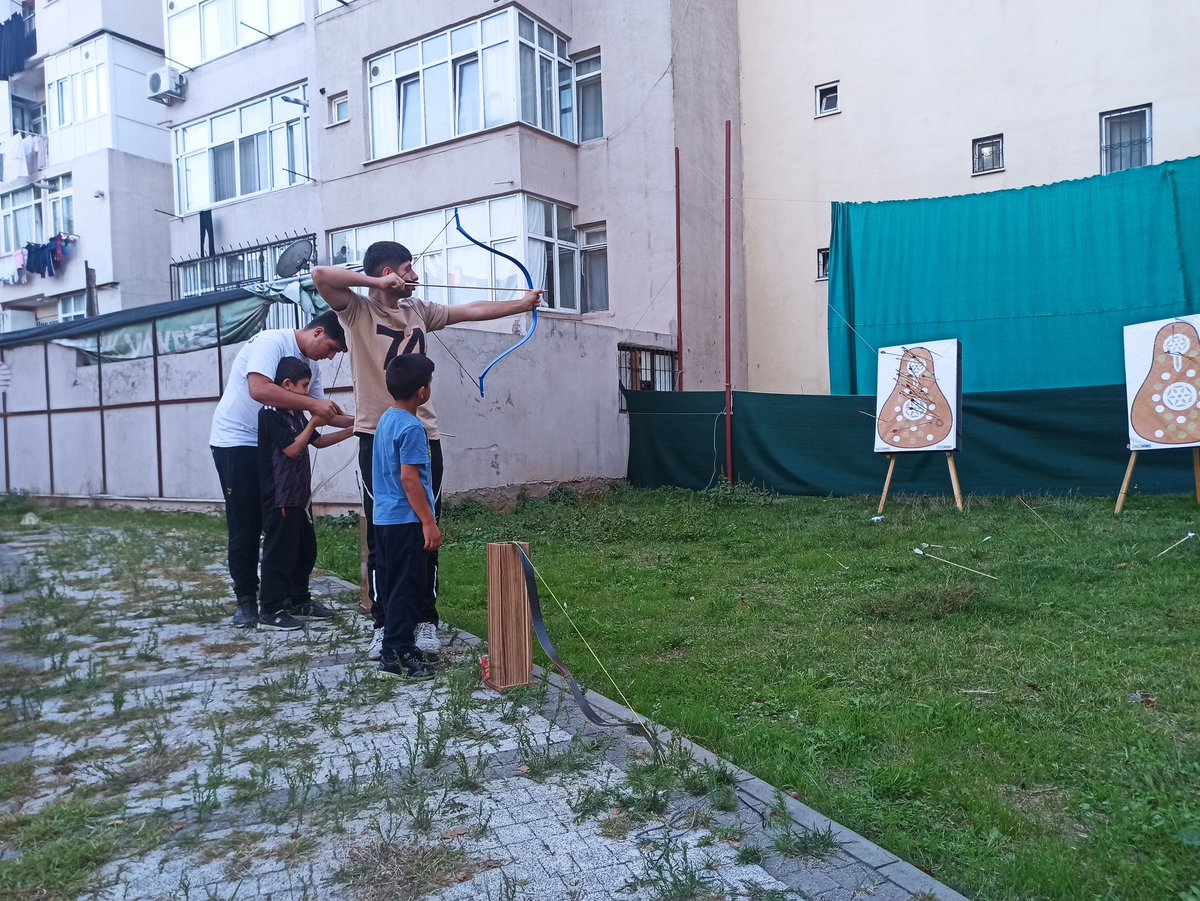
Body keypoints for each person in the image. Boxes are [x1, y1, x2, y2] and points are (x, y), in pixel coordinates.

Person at [312, 242, 542, 660]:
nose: (414, 276)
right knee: (384, 532)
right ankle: (384, 623)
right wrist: (374, 283)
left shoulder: (418, 310)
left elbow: (468, 311)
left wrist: (520, 305)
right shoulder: (356, 311)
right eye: (406, 269)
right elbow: (321, 276)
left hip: (424, 435)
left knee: (426, 529)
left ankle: (424, 621)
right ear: (386, 271)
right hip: (376, 437)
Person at [209, 311, 353, 627]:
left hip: (283, 450)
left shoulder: (310, 367)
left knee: (294, 526)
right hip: (239, 443)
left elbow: (322, 413)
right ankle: (247, 600)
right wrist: (316, 409)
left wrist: (363, 421)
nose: (329, 357)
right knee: (246, 524)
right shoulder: (271, 342)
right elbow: (259, 390)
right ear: (318, 332)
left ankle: (295, 597)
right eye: (330, 347)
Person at [257, 357, 354, 631]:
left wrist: (352, 430)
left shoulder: (295, 413)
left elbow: (318, 442)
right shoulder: (270, 414)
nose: (308, 393)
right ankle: (270, 608)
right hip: (280, 499)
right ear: (286, 385)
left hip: (300, 497)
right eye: (304, 387)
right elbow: (292, 449)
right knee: (280, 553)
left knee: (305, 550)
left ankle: (298, 599)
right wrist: (314, 420)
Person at [372, 354, 440, 678]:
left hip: (384, 520)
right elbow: (409, 479)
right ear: (423, 392)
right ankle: (395, 655)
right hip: (406, 521)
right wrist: (429, 521)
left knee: (391, 586)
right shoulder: (413, 428)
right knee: (405, 588)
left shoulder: (386, 419)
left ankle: (399, 645)